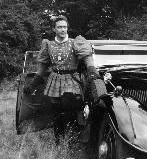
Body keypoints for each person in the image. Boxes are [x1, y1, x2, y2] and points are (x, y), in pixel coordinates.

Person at [23, 15, 102, 144]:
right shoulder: (48, 45)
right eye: (59, 27)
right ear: (54, 29)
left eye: (65, 27)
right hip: (55, 80)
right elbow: (42, 68)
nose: (63, 30)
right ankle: (59, 142)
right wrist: (33, 84)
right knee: (56, 113)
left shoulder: (75, 42)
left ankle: (73, 140)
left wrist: (92, 70)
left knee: (69, 107)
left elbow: (87, 57)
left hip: (71, 79)